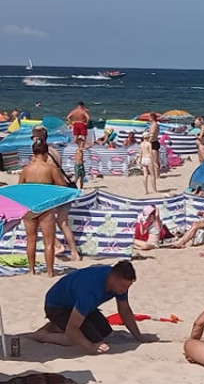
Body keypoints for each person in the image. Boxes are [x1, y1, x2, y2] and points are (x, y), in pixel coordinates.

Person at [32, 261, 150, 354]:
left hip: (77, 303)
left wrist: (138, 336)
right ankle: (43, 336)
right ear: (112, 279)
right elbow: (72, 328)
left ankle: (56, 326)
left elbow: (124, 310)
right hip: (57, 306)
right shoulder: (91, 290)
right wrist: (90, 347)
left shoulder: (119, 282)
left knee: (106, 333)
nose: (125, 290)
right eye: (123, 286)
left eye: (128, 286)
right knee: (87, 340)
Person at [18, 140, 66, 275]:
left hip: (30, 207)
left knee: (31, 240)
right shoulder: (51, 169)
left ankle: (32, 270)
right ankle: (50, 272)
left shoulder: (26, 169)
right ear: (46, 154)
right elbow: (62, 187)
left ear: (33, 153)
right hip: (46, 207)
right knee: (49, 241)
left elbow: (20, 188)